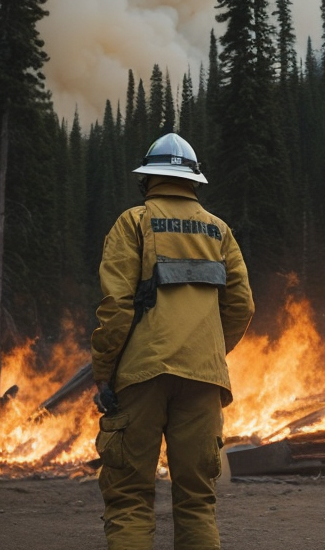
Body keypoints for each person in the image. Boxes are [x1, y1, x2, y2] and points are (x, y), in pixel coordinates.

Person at [91, 132, 254, 550]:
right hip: (203, 381)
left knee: (129, 498)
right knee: (198, 502)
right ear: (194, 181)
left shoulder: (134, 223)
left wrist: (105, 373)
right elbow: (242, 306)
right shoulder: (220, 231)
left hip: (140, 375)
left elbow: (115, 307)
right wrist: (210, 352)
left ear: (148, 181)